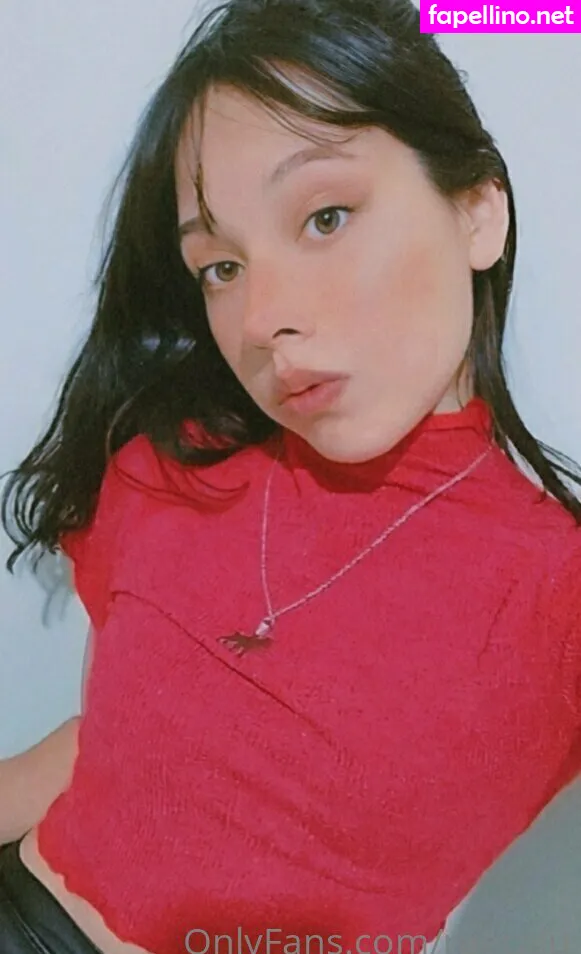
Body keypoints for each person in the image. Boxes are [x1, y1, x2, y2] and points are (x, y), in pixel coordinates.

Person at [1, 0, 580, 951]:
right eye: (220, 266)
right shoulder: (172, 464)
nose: (262, 316)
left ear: (478, 211)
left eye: (325, 216)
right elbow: (116, 752)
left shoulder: (558, 593)